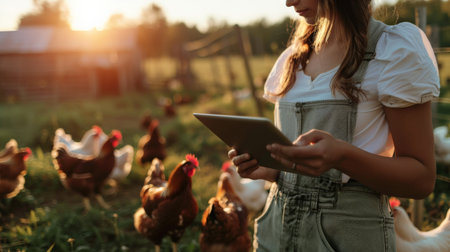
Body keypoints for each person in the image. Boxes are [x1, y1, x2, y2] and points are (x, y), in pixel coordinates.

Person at [228, 0, 440, 251]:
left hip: (348, 237)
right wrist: (271, 170)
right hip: (276, 232)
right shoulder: (293, 58)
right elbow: (295, 163)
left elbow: (421, 179)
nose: (288, 2)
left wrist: (342, 157)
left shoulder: (392, 50)